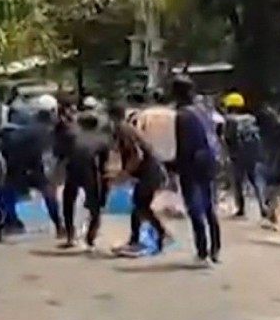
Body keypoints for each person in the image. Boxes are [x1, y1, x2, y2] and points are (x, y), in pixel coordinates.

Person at [0, 109, 60, 243]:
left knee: (7, 197)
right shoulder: (45, 132)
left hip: (14, 165)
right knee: (49, 194)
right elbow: (47, 155)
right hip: (34, 166)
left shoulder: (14, 130)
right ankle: (59, 226)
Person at [172, 76, 221, 264]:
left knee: (194, 206)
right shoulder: (204, 109)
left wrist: (176, 166)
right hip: (209, 160)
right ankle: (215, 249)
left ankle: (202, 250)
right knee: (209, 205)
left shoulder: (182, 114)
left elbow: (183, 145)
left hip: (192, 162)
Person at [109, 102, 169, 256]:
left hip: (150, 173)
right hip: (150, 172)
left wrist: (124, 174)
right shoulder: (126, 128)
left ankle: (157, 235)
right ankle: (142, 238)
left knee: (140, 206)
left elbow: (137, 155)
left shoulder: (123, 129)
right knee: (140, 206)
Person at [58, 113, 111, 251]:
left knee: (68, 202)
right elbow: (104, 164)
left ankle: (70, 235)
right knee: (95, 207)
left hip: (73, 171)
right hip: (91, 172)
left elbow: (62, 155)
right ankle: (90, 238)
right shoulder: (102, 140)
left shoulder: (71, 136)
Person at [220, 92, 266, 220]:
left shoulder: (229, 120)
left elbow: (226, 139)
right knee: (255, 180)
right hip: (252, 154)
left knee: (238, 182)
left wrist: (226, 155)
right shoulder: (250, 118)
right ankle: (263, 206)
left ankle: (241, 209)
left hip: (237, 155)